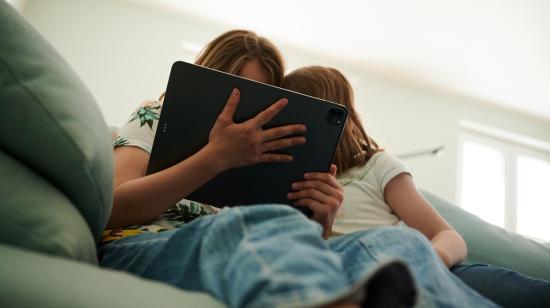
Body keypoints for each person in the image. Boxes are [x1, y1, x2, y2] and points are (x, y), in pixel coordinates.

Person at [283, 65, 550, 308]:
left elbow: (449, 237)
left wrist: (427, 263)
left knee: (525, 293)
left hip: (427, 267)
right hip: (363, 282)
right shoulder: (290, 185)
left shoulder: (375, 166)